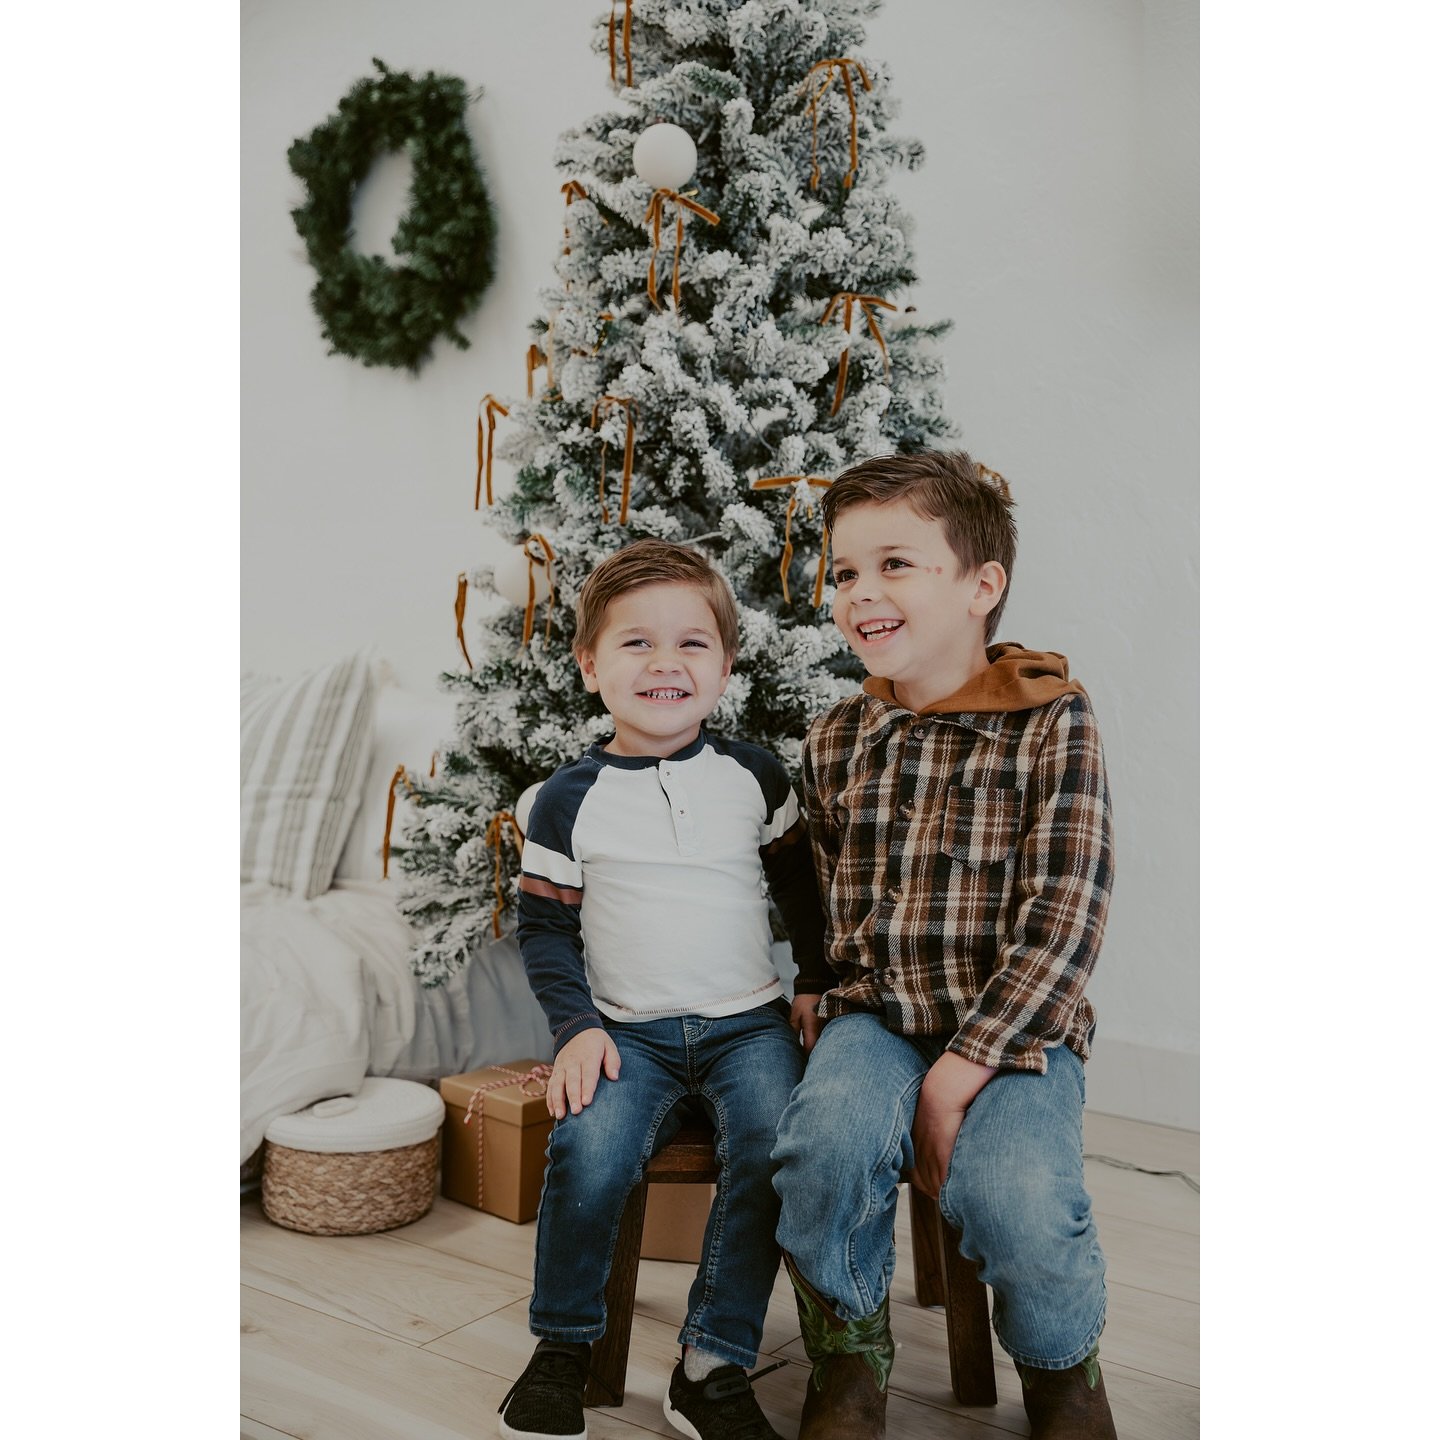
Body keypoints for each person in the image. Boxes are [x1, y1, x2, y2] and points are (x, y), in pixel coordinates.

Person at [772, 451, 1118, 1440]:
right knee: (822, 1150)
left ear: (981, 585)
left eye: (894, 564)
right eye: (843, 573)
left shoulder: (1053, 718)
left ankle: (1062, 1372)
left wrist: (955, 1077)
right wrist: (815, 983)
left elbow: (1067, 913)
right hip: (877, 1015)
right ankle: (847, 1352)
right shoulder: (838, 737)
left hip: (1012, 1027)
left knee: (1016, 1196)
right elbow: (829, 890)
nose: (861, 592)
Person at [499, 539, 827, 1440]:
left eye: (692, 643)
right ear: (590, 664)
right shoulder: (566, 800)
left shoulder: (755, 777)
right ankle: (562, 1349)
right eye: (636, 643)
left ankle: (713, 1363)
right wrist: (574, 1028)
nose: (666, 663)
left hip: (748, 1022)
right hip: (625, 1033)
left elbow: (801, 891)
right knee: (590, 1152)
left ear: (725, 664)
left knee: (773, 1147)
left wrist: (815, 984)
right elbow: (547, 927)